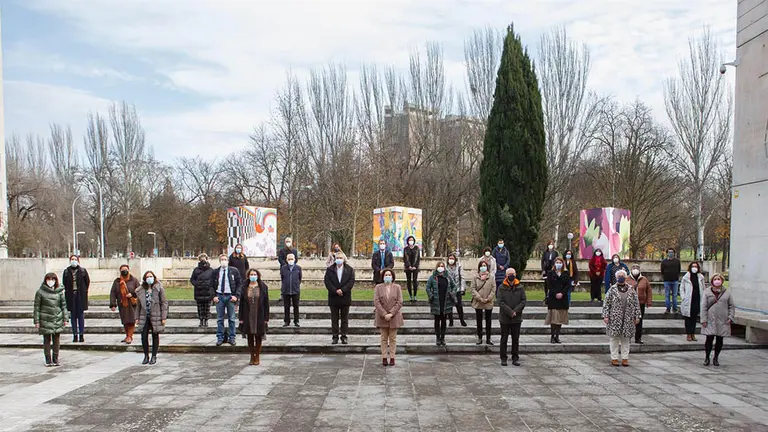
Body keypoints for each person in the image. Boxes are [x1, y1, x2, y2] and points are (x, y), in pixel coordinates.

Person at [602, 270, 641, 367]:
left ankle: (625, 358)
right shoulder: (612, 289)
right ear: (616, 277)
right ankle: (614, 358)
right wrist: (605, 315)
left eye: (622, 275)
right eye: (619, 276)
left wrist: (637, 316)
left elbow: (636, 304)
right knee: (614, 339)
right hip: (615, 318)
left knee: (626, 339)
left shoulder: (631, 289)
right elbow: (606, 303)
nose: (621, 277)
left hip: (628, 318)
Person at [34, 273, 68, 366]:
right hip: (45, 319)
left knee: (56, 339)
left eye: (52, 279)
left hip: (57, 318)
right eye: (48, 279)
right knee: (47, 339)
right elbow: (37, 308)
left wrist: (65, 318)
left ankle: (55, 358)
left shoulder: (60, 292)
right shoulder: (40, 292)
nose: (50, 281)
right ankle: (48, 359)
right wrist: (37, 321)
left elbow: (64, 306)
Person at [701, 274, 735, 366]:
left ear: (722, 281)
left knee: (720, 340)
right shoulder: (707, 292)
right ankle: (707, 357)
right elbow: (703, 306)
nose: (717, 281)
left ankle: (716, 358)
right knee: (709, 339)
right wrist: (703, 319)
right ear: (712, 281)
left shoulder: (727, 293)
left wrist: (730, 317)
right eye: (715, 279)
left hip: (722, 320)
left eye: (718, 279)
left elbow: (731, 306)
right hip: (710, 319)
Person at [135, 271, 168, 365]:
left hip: (156, 314)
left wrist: (163, 317)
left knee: (155, 335)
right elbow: (138, 305)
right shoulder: (141, 290)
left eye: (151, 276)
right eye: (147, 277)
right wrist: (136, 317)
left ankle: (154, 356)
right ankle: (146, 355)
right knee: (144, 336)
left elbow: (164, 303)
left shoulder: (159, 288)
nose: (149, 278)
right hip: (144, 315)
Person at [374, 268, 404, 367]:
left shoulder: (397, 287)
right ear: (383, 277)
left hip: (394, 317)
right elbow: (376, 302)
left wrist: (391, 313)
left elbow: (399, 302)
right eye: (386, 275)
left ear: (392, 277)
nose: (388, 276)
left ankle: (392, 357)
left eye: (389, 275)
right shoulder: (378, 287)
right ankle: (384, 357)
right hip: (382, 317)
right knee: (383, 338)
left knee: (392, 338)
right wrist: (384, 314)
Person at [211, 254, 242, 346]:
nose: (224, 261)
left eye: (225, 259)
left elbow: (239, 284)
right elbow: (211, 285)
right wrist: (214, 296)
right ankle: (220, 337)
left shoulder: (234, 271)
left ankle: (232, 337)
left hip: (230, 297)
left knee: (231, 319)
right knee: (220, 319)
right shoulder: (215, 272)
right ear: (220, 261)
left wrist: (236, 296)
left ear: (228, 261)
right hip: (219, 296)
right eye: (222, 259)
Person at [240, 269, 270, 366]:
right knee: (250, 336)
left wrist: (266, 318)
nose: (253, 276)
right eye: (251, 274)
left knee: (258, 336)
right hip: (248, 315)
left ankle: (257, 355)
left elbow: (266, 303)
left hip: (259, 315)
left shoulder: (263, 287)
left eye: (255, 274)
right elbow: (241, 304)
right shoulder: (244, 287)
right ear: (248, 276)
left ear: (258, 275)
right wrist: (240, 318)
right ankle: (251, 356)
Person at [324, 252, 355, 345]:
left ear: (344, 259)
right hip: (334, 298)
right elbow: (327, 282)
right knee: (334, 319)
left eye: (341, 257)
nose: (339, 259)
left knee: (344, 319)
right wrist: (335, 290)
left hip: (345, 297)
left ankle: (344, 336)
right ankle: (335, 336)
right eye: (337, 257)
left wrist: (343, 290)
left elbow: (351, 282)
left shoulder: (349, 270)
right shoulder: (330, 270)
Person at [498, 268, 526, 367]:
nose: (511, 275)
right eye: (509, 274)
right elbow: (500, 302)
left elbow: (523, 301)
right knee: (504, 339)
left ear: (515, 274)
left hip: (516, 318)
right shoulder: (501, 287)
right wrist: (510, 312)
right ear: (506, 275)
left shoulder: (520, 287)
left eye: (512, 274)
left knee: (515, 339)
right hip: (505, 318)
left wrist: (515, 311)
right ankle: (503, 358)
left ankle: (515, 358)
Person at [426, 262, 457, 346]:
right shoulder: (432, 277)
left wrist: (452, 293)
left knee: (444, 321)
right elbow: (428, 287)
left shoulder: (448, 277)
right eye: (439, 266)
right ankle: (437, 338)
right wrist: (431, 295)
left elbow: (454, 286)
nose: (440, 267)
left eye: (442, 266)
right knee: (437, 321)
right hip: (436, 301)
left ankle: (443, 338)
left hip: (446, 301)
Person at [62, 255, 90, 343]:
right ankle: (74, 334)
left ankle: (81, 334)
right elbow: (65, 283)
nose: (73, 261)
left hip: (80, 296)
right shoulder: (66, 271)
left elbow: (87, 282)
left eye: (75, 259)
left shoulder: (83, 271)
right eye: (72, 259)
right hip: (71, 296)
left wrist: (83, 291)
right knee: (73, 316)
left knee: (80, 315)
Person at [109, 264, 139, 344]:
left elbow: (139, 291)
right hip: (122, 304)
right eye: (122, 270)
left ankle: (129, 336)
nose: (124, 271)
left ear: (128, 270)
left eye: (125, 269)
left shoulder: (134, 280)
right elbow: (113, 292)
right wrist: (113, 304)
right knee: (125, 321)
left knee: (131, 320)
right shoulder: (117, 281)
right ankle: (127, 335)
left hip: (132, 303)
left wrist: (132, 294)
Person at [545, 257, 570, 344]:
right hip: (553, 298)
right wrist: (556, 293)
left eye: (560, 262)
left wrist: (562, 293)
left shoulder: (566, 273)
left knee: (560, 319)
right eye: (557, 262)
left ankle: (557, 336)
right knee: (554, 319)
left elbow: (567, 285)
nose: (558, 264)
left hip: (562, 299)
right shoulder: (550, 273)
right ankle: (552, 336)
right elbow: (549, 285)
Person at [471, 260, 496, 345]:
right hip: (478, 302)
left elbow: (493, 289)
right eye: (482, 265)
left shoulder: (491, 277)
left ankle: (489, 338)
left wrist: (488, 298)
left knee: (488, 321)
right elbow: (473, 289)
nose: (483, 267)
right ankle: (480, 337)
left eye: (485, 265)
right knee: (479, 320)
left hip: (488, 302)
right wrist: (479, 298)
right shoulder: (475, 277)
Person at [680, 261, 705, 342]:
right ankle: (688, 334)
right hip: (688, 300)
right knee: (688, 318)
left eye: (696, 266)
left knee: (694, 318)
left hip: (696, 300)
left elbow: (703, 288)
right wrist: (683, 298)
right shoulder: (686, 277)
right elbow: (682, 288)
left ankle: (693, 333)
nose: (694, 268)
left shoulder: (701, 277)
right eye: (693, 266)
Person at [627, 264, 652, 344]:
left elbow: (649, 290)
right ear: (631, 269)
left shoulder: (644, 279)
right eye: (633, 268)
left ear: (640, 270)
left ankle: (638, 338)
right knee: (629, 321)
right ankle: (628, 338)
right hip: (629, 304)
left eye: (637, 268)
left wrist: (649, 301)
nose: (635, 269)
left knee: (639, 321)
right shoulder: (627, 279)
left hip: (641, 303)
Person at [190, 253, 215, 327]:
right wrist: (197, 284)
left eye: (204, 258)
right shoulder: (196, 270)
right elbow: (192, 279)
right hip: (199, 292)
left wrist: (210, 286)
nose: (203, 260)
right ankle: (201, 320)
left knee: (207, 308)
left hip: (208, 292)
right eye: (201, 258)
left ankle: (206, 320)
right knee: (200, 308)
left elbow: (214, 280)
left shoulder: (211, 270)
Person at [280, 253, 302, 327]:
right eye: (289, 259)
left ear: (295, 259)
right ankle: (287, 321)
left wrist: (296, 285)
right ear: (286, 260)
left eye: (292, 259)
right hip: (286, 291)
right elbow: (282, 278)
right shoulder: (283, 268)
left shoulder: (298, 268)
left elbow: (300, 278)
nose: (290, 260)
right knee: (286, 307)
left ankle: (296, 321)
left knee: (296, 306)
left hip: (295, 290)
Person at [446, 253, 467, 327]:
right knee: (449, 306)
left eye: (452, 258)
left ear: (455, 260)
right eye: (450, 258)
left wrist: (462, 289)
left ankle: (462, 320)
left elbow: (462, 278)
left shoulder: (459, 267)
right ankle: (451, 321)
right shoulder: (445, 267)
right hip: (448, 290)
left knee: (459, 306)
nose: (451, 260)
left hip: (457, 289)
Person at [661, 248, 682, 313]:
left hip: (675, 280)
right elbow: (662, 271)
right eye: (669, 252)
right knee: (667, 295)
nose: (670, 253)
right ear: (667, 253)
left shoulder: (677, 261)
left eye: (672, 252)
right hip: (667, 280)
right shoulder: (664, 262)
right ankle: (668, 308)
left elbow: (679, 270)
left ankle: (675, 308)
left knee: (674, 295)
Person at [403, 236, 421, 302]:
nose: (411, 241)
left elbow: (418, 258)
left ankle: (415, 295)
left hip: (415, 267)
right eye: (410, 240)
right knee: (408, 281)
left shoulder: (417, 248)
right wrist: (409, 266)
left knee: (415, 280)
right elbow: (405, 258)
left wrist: (415, 266)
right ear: (407, 241)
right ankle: (410, 295)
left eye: (412, 240)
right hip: (408, 268)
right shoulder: (405, 249)